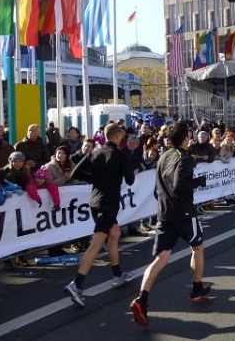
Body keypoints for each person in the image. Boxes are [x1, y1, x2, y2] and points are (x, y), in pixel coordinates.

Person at [130, 122, 209, 327]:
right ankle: (197, 287)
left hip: (164, 214)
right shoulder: (185, 158)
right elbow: (179, 185)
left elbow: (160, 187)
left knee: (162, 258)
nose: (190, 139)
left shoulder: (164, 156)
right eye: (189, 136)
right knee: (197, 247)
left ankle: (142, 298)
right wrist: (198, 181)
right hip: (184, 213)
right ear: (184, 138)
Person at [63, 122, 136, 308]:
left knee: (115, 233)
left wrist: (95, 178)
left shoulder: (94, 153)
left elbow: (74, 173)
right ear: (118, 136)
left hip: (95, 201)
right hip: (108, 204)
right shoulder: (121, 154)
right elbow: (130, 180)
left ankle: (117, 274)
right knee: (96, 243)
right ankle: (76, 284)